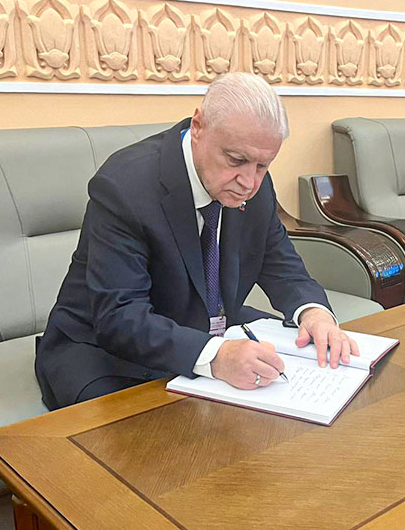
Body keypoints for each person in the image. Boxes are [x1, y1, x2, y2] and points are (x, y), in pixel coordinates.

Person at [35, 72, 358, 410]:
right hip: (106, 351)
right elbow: (119, 315)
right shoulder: (125, 187)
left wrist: (314, 313)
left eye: (263, 165)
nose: (249, 182)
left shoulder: (253, 184)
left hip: (203, 327)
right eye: (236, 160)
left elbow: (281, 264)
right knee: (167, 438)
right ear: (199, 126)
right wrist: (216, 357)